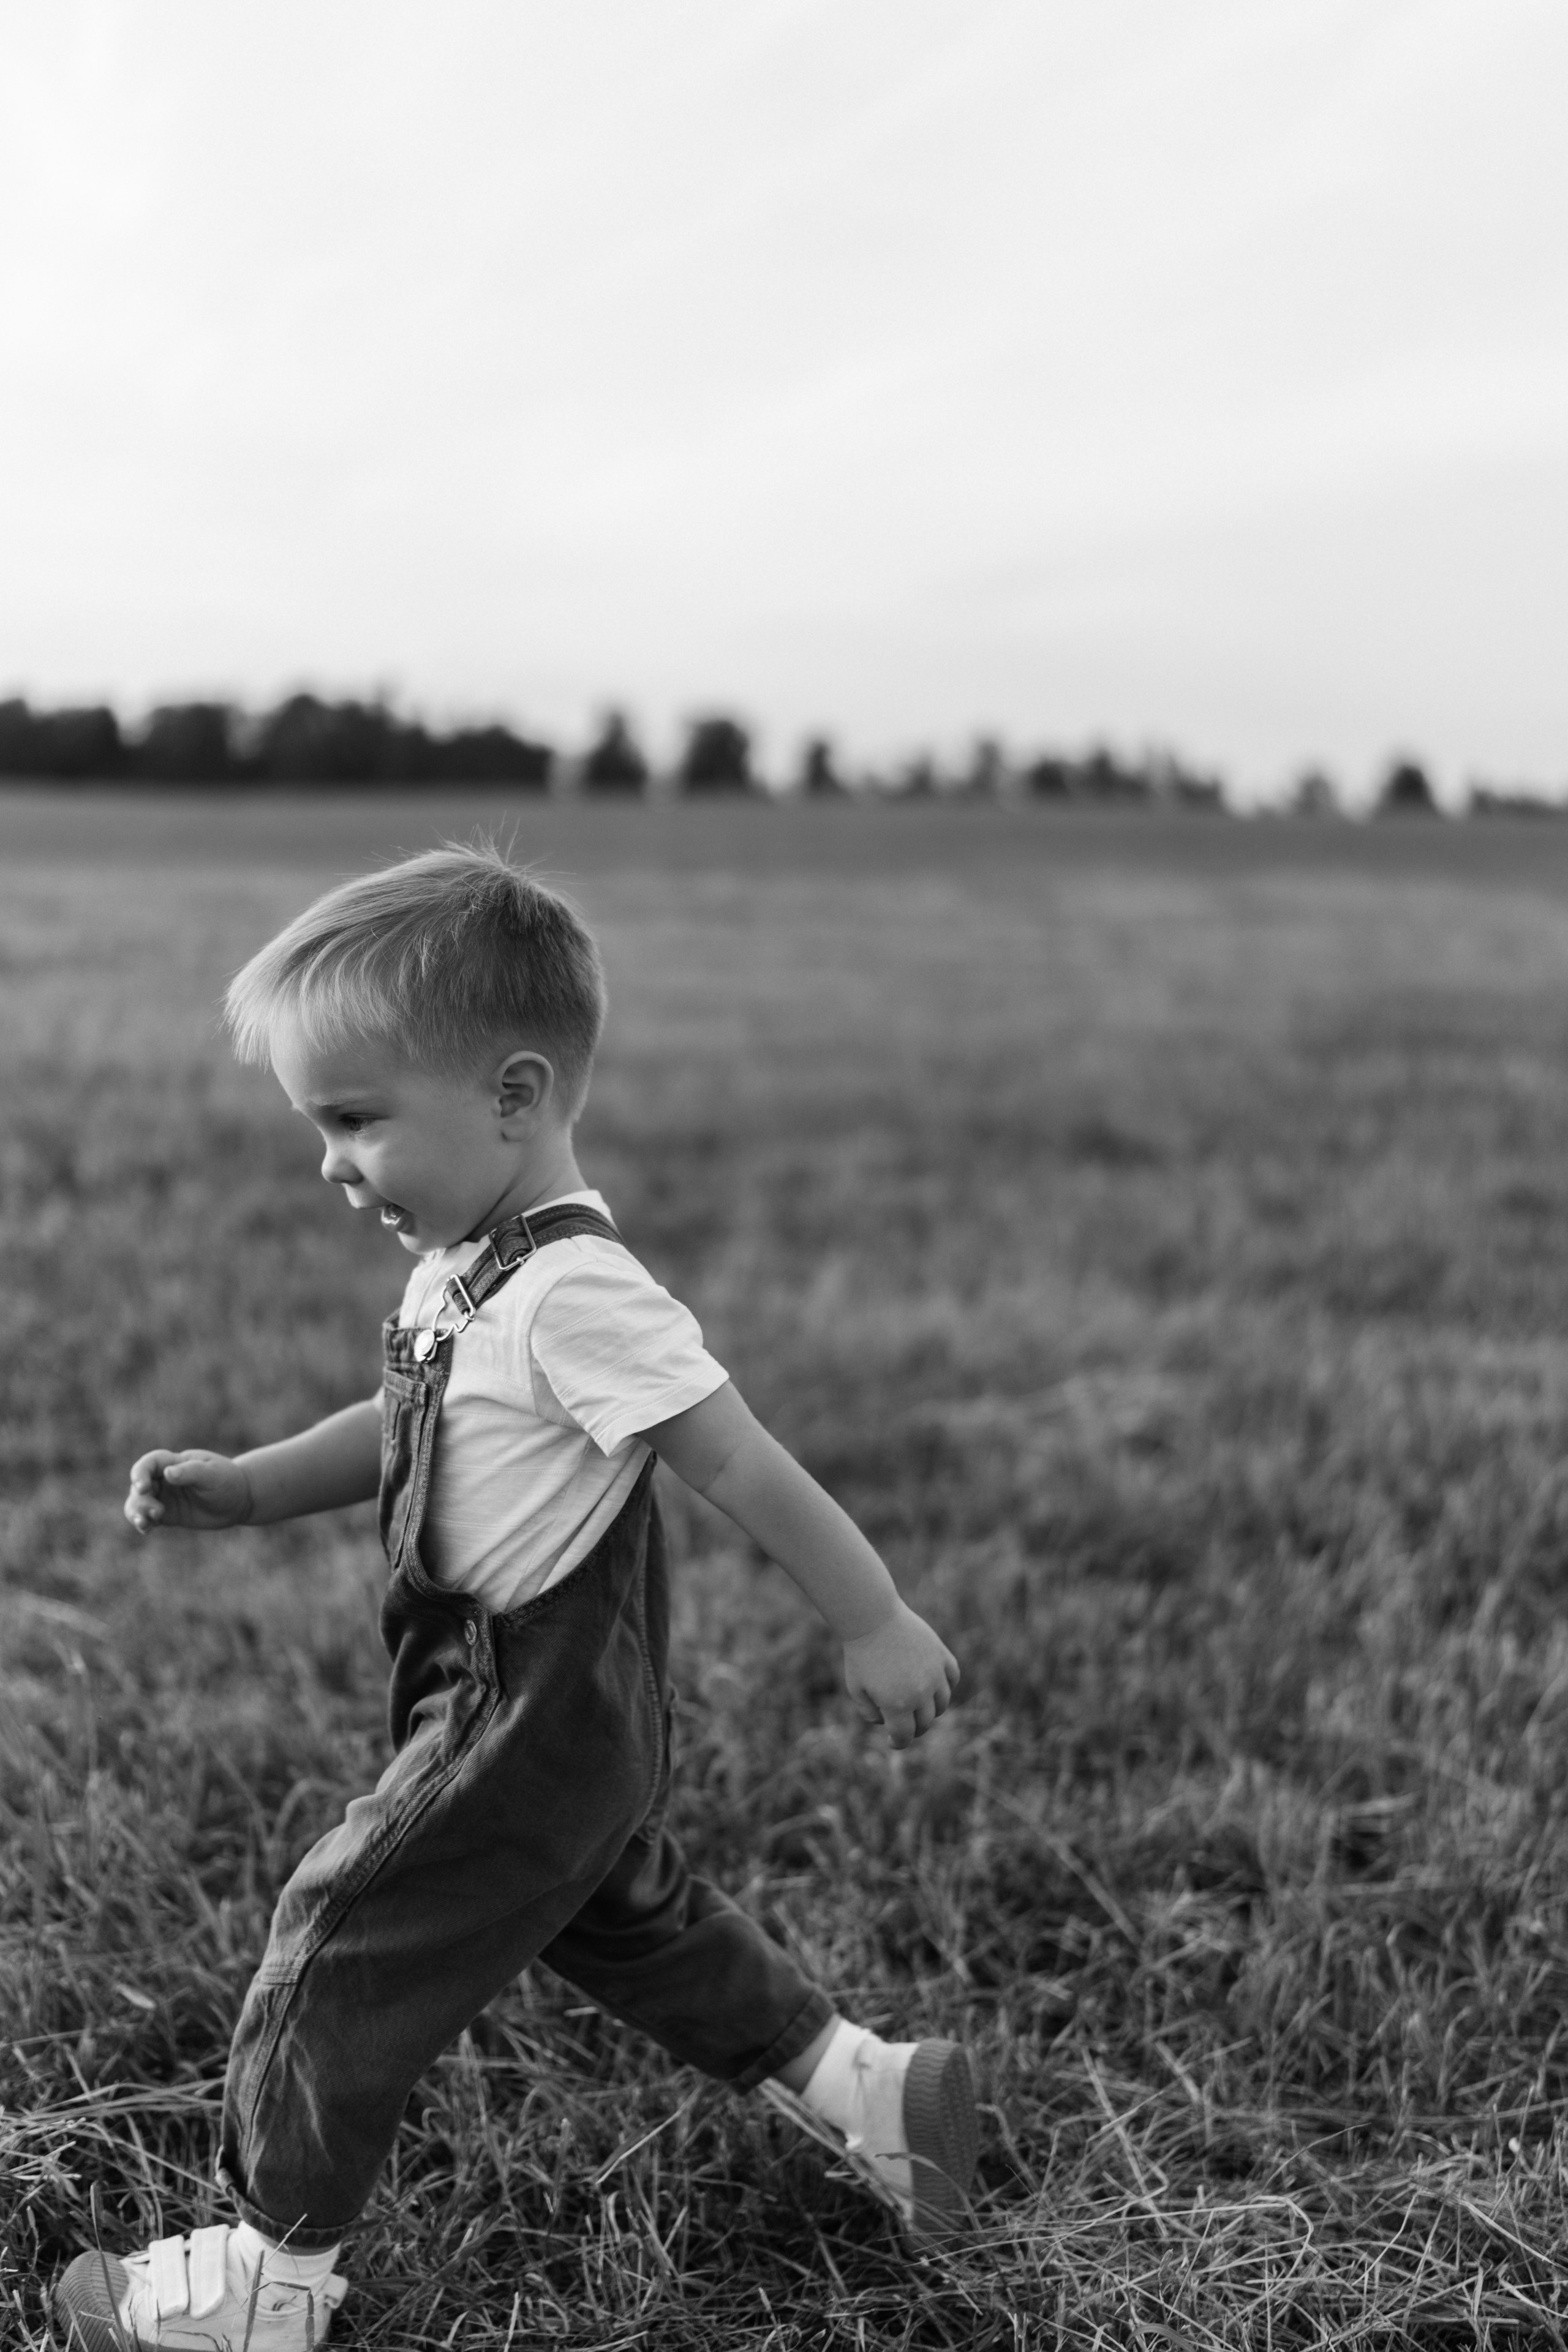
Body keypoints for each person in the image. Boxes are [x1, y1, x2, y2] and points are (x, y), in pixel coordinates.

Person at [55, 845, 976, 2351]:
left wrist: (869, 1619)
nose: (333, 1165)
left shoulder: (575, 1293)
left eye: (356, 1121)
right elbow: (411, 1428)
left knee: (339, 1938)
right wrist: (251, 1483)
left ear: (512, 1095)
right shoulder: (464, 1267)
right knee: (621, 1920)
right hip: (536, 1710)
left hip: (523, 1704)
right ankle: (869, 2092)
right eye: (319, 1127)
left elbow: (738, 1461)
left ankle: (262, 2292)